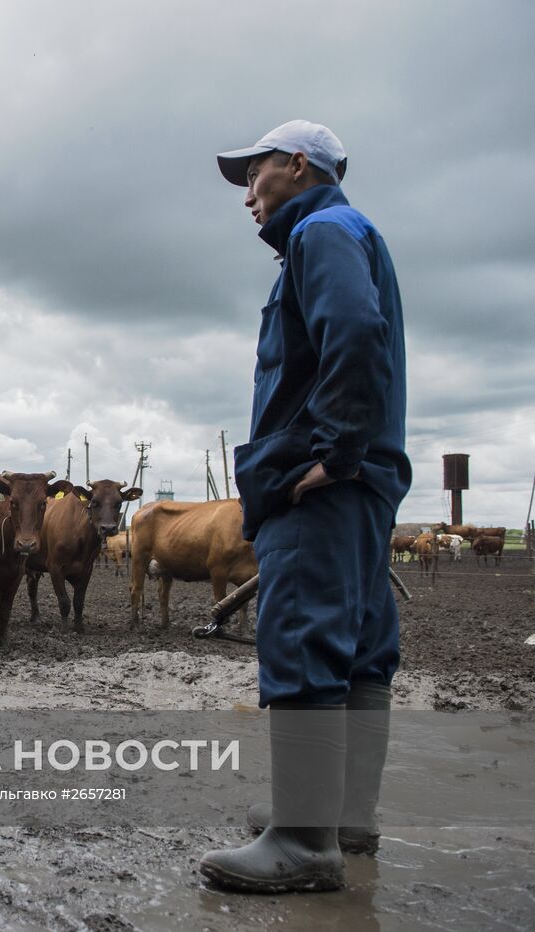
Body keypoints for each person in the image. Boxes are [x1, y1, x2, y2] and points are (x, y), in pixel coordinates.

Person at [199, 120, 410, 892]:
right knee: (358, 642)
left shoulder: (321, 230)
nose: (247, 195)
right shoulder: (349, 232)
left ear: (297, 165)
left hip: (324, 485)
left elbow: (354, 332)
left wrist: (332, 451)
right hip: (368, 487)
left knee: (301, 634)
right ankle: (342, 817)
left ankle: (302, 841)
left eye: (253, 175)